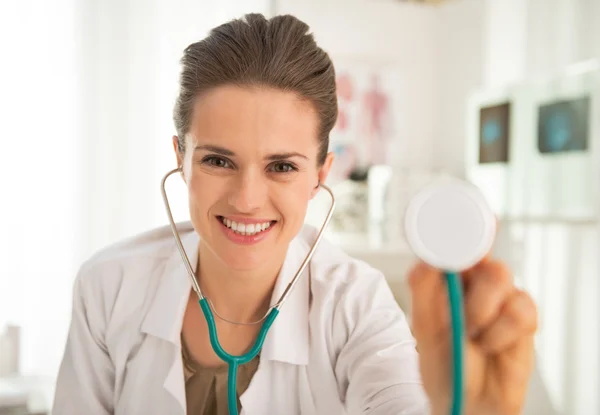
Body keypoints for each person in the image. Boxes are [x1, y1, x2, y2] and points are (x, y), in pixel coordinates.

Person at [52, 13, 538, 415]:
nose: (246, 198)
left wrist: (462, 407)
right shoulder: (108, 288)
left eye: (282, 166)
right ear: (181, 158)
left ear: (321, 175)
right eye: (218, 161)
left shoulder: (357, 306)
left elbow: (400, 398)